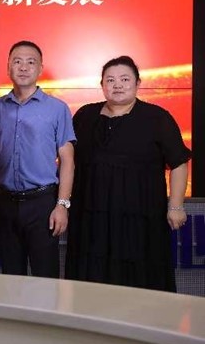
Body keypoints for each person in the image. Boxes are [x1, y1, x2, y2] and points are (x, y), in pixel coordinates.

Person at [65, 56, 190, 292]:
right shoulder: (85, 116)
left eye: (124, 79)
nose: (117, 85)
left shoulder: (157, 118)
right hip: (92, 218)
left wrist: (176, 206)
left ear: (138, 83)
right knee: (90, 281)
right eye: (110, 80)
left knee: (140, 279)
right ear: (102, 85)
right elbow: (68, 161)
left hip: (141, 217)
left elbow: (179, 163)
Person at [0, 40, 75, 278]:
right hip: (3, 202)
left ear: (40, 68)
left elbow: (67, 160)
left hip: (42, 204)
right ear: (8, 67)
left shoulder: (57, 109)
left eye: (30, 62)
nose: (23, 67)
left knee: (46, 277)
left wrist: (62, 205)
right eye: (17, 61)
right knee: (10, 275)